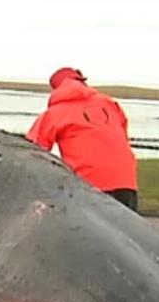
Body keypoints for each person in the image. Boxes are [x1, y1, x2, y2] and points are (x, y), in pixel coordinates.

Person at [26, 67, 139, 211]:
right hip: (126, 180)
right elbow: (123, 137)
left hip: (88, 184)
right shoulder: (111, 104)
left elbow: (31, 150)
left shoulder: (55, 113)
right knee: (126, 231)